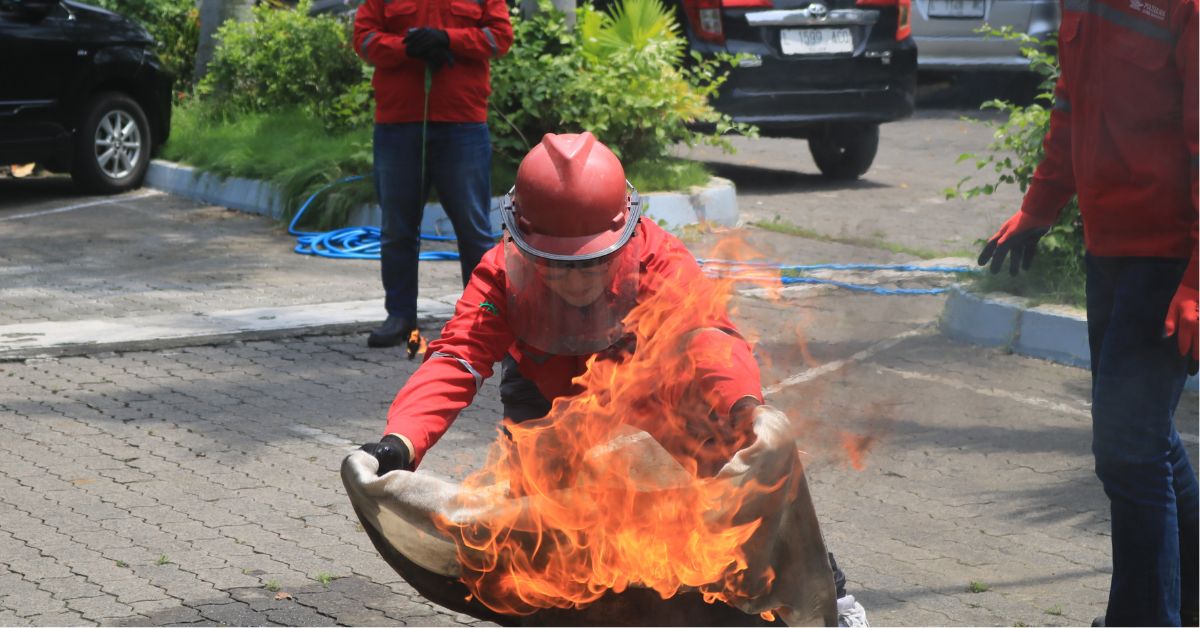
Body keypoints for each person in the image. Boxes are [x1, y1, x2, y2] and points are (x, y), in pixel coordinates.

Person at [360, 131, 869, 626]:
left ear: (624, 234)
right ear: (522, 241)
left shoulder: (661, 261)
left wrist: (745, 407)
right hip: (551, 403)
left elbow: (707, 336)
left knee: (736, 492)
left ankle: (830, 593)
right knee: (543, 529)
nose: (578, 280)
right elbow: (458, 358)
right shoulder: (499, 276)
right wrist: (400, 441)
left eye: (593, 263)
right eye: (557, 265)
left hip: (662, 403)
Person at [975, 0, 1198, 622]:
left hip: (1172, 258)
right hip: (1110, 249)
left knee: (1128, 449)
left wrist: (1197, 284)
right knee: (1143, 440)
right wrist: (1040, 206)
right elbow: (1071, 103)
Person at [352, 0, 513, 349]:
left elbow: (500, 37)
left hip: (462, 122)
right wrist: (407, 47)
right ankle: (399, 317)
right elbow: (363, 40)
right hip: (397, 124)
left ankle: (482, 318)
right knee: (397, 229)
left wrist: (448, 39)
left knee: (473, 230)